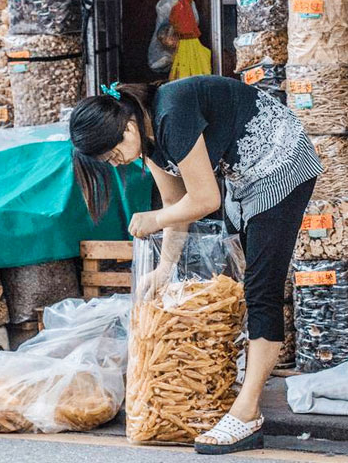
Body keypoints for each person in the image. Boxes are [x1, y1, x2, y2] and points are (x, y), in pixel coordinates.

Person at [69, 75, 322, 455]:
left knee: (260, 287)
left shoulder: (172, 113)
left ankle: (247, 412)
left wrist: (152, 220)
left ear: (126, 126)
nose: (115, 162)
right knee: (247, 279)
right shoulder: (149, 143)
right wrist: (163, 268)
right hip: (243, 176)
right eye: (106, 161)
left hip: (279, 160)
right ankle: (241, 390)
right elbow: (177, 207)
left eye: (111, 152)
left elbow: (203, 199)